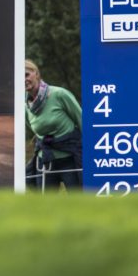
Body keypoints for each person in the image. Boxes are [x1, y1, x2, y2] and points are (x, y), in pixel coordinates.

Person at [24, 59, 82, 191]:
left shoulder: (59, 94)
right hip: (45, 160)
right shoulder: (24, 104)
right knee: (45, 207)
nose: (24, 80)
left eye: (27, 75)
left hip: (70, 159)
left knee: (78, 203)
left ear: (36, 74)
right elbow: (36, 131)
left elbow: (81, 121)